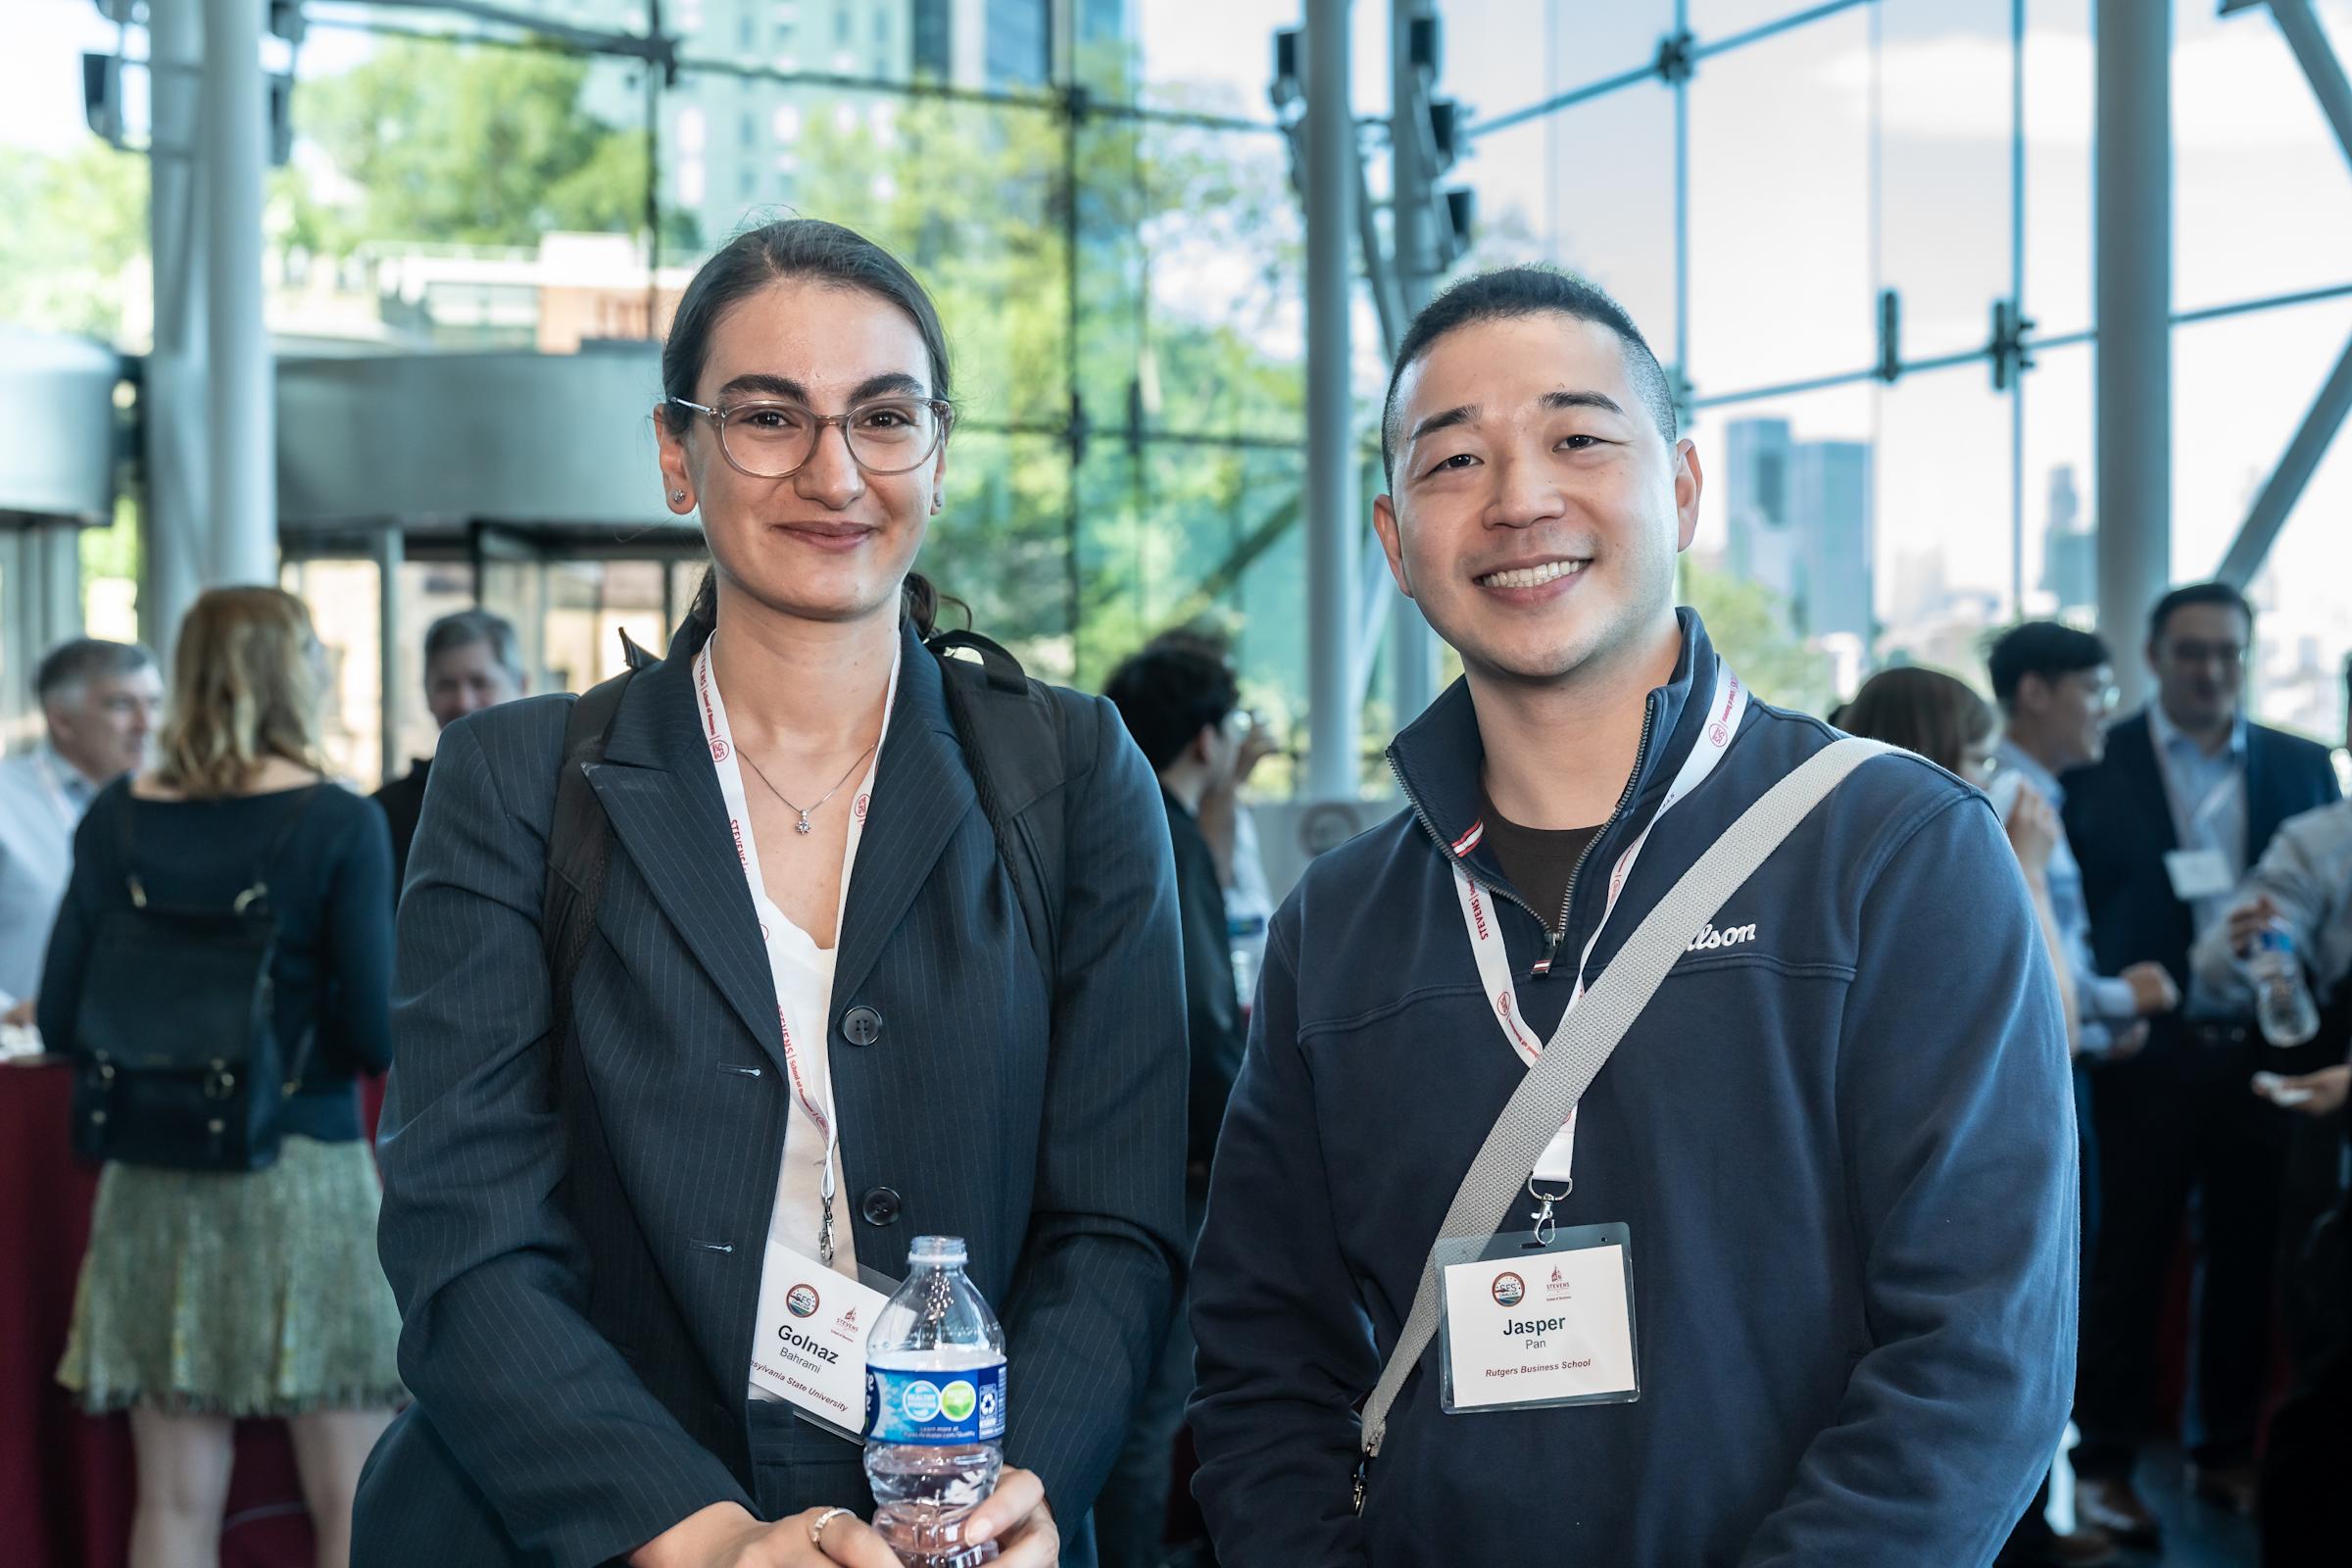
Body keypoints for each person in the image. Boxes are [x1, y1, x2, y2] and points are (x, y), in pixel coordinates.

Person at [1188, 267, 2077, 1565]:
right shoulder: (1343, 921)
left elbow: (1976, 1361)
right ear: (1394, 539)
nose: (1520, 499)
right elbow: (1263, 1358)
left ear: (1680, 488)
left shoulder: (1894, 850)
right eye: (1453, 463)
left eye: (1577, 438)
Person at [353, 218, 1186, 1568]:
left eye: (883, 415)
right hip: (598, 1525)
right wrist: (706, 1541)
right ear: (678, 455)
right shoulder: (514, 780)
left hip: (959, 1532)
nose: (833, 470)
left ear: (937, 448)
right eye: (766, 417)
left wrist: (1009, 1493)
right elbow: (466, 1237)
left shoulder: (1074, 776)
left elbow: (1118, 1222)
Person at [43, 587, 402, 1568]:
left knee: (173, 1499)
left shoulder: (116, 817)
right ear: (299, 677)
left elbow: (68, 1014)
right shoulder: (338, 821)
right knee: (350, 1497)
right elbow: (377, 1032)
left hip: (151, 1183)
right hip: (304, 1176)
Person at [2060, 581, 2342, 1541]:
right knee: (2125, 1260)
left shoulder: (2305, 768)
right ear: (2153, 655)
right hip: (2145, 1052)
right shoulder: (2098, 763)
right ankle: (2103, 1461)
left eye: (2228, 651)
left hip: (2268, 1050)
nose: (2211, 670)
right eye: (2191, 652)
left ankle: (2222, 1451)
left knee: (2250, 1253)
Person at [1985, 623, 2188, 1568]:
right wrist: (2118, 1002)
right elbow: (2030, 973)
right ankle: (2023, 1527)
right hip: (2043, 1087)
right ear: (2036, 691)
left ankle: (2040, 1516)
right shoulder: (2002, 802)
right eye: (2094, 688)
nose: (2108, 706)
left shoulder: (2046, 798)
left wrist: (2106, 1016)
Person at [1098, 644, 1250, 1568]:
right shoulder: (1168, 831)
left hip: (1113, 1158)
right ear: (1206, 737)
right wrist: (1255, 1142)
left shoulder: (1116, 813)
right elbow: (1199, 1010)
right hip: (1180, 1174)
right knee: (1154, 1413)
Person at [1838, 664, 2082, 1058]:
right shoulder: (1945, 887)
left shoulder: (1844, 868)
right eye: (1979, 761)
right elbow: (2057, 1036)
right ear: (1930, 759)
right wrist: (2030, 876)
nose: (1987, 785)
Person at [0, 638, 160, 1025]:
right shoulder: (6, 801)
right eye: (122, 705)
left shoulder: (173, 808)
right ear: (61, 719)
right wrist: (7, 1011)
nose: (146, 724)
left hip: (148, 1059)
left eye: (154, 703)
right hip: (23, 1061)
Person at [372, 609, 527, 895]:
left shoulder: (555, 798)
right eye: (446, 685)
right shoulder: (385, 814)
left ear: (521, 685)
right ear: (427, 695)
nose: (463, 702)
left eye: (479, 682)